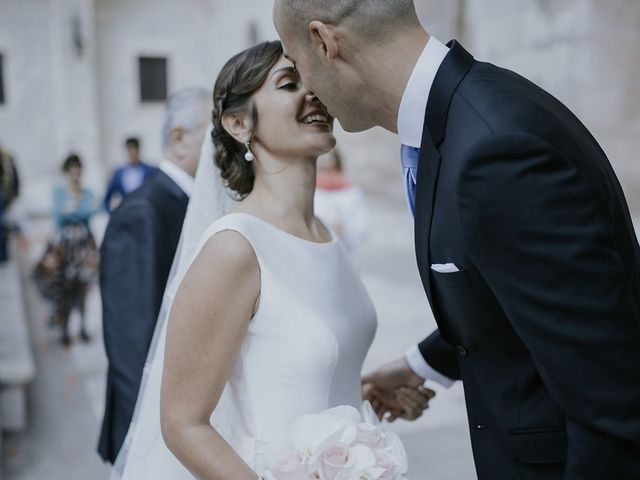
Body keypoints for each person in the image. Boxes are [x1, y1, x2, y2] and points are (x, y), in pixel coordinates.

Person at [274, 1, 640, 478]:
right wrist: (422, 364)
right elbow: (521, 288)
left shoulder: (494, 151)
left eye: (296, 62)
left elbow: (611, 403)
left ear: (325, 43)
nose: (307, 88)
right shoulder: (455, 119)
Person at [111, 41, 433, 480]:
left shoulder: (325, 234)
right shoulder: (234, 248)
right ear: (239, 123)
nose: (314, 92)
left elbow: (283, 379)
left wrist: (364, 395)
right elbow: (183, 424)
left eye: (316, 80)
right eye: (289, 83)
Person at [97, 87, 212, 464]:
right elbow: (132, 343)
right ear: (179, 138)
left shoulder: (194, 203)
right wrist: (152, 453)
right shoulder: (143, 212)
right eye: (217, 132)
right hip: (151, 435)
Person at [48, 154, 100, 347]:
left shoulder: (87, 193)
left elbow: (90, 213)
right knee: (65, 289)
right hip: (65, 246)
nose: (76, 175)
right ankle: (65, 328)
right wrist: (75, 213)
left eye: (78, 171)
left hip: (83, 246)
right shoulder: (59, 192)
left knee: (83, 287)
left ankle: (83, 327)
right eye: (72, 172)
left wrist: (72, 212)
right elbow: (58, 217)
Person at [315, 147, 368, 253]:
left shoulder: (351, 191)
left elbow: (362, 226)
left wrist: (343, 230)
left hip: (344, 251)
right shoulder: (309, 189)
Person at [103, 137, 156, 213]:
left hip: (145, 213)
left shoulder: (151, 171)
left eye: (134, 150)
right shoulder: (118, 173)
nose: (132, 153)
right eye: (129, 150)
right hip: (126, 213)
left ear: (138, 150)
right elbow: (107, 198)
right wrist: (113, 214)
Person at [0, 145, 20, 262]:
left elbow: (13, 179)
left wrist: (14, 195)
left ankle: (2, 253)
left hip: (4, 196)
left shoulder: (6, 156)